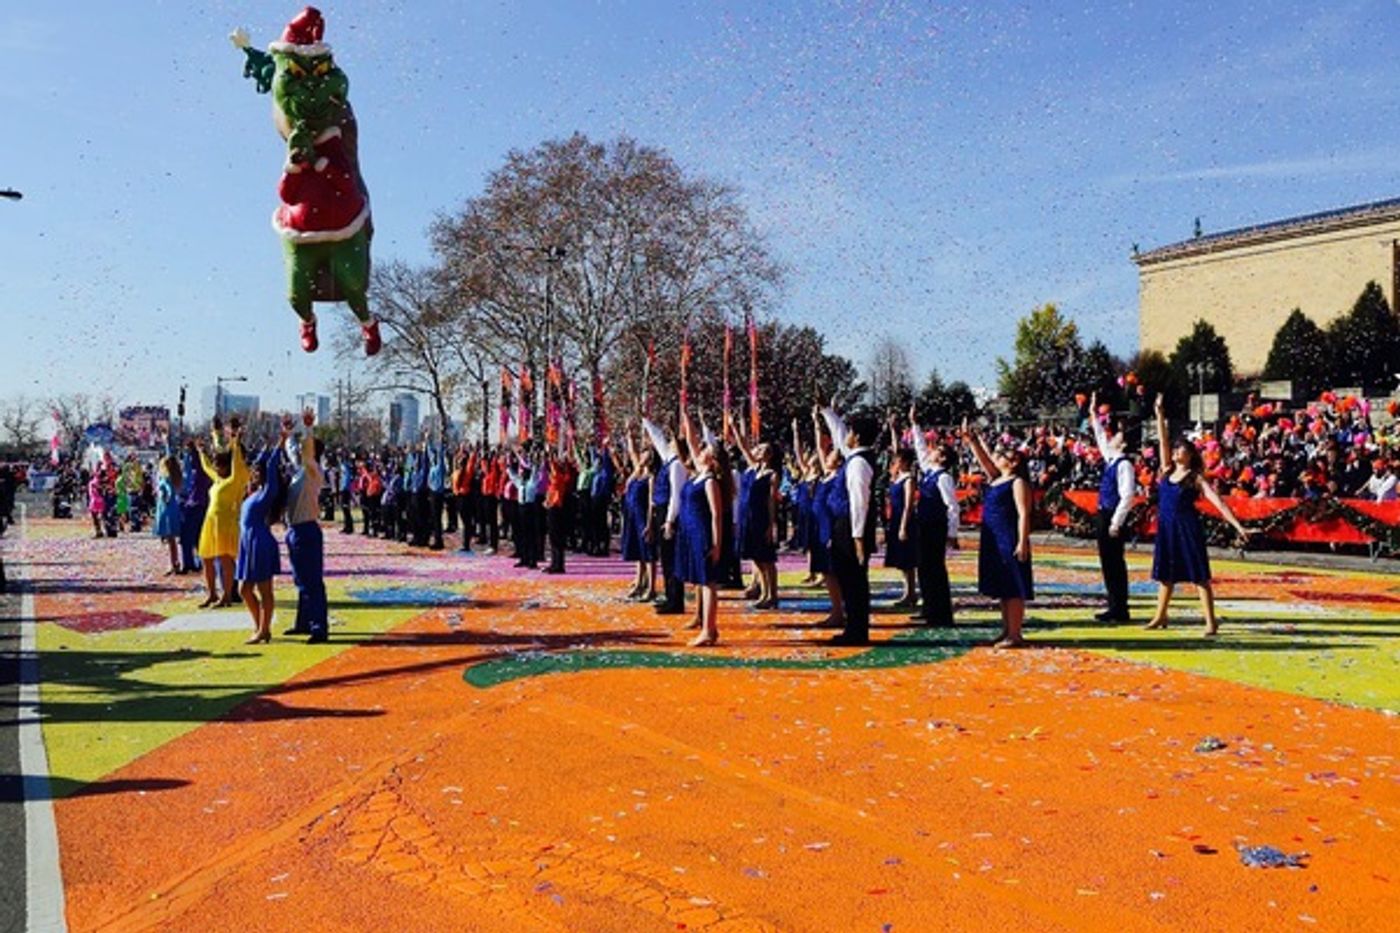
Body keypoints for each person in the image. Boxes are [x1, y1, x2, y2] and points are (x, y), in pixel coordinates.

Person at [1146, 394, 1251, 637]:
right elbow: (1162, 441)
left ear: (1190, 454)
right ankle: (1161, 615)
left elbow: (1219, 503)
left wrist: (1238, 526)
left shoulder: (1195, 478)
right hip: (1167, 527)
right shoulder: (1167, 470)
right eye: (1175, 449)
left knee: (1199, 576)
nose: (1174, 451)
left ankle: (1210, 622)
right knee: (1165, 575)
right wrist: (1160, 414)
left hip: (1186, 528)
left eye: (1180, 449)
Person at [961, 418, 1034, 649]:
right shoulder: (997, 478)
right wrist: (972, 440)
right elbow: (985, 461)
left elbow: (1024, 514)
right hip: (994, 538)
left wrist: (1022, 541)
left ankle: (1015, 633)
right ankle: (1006, 631)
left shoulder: (1017, 482)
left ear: (1012, 462)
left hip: (1009, 537)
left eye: (1003, 455)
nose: (998, 457)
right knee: (1003, 586)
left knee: (1013, 586)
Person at [821, 405, 877, 646]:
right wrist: (826, 411)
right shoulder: (855, 457)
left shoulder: (858, 464)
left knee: (854, 580)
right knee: (848, 579)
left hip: (852, 527)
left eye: (851, 432)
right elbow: (839, 435)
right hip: (847, 526)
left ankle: (857, 631)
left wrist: (857, 537)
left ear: (858, 437)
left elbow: (859, 502)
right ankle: (854, 628)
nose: (846, 436)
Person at [676, 400, 729, 646]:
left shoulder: (710, 482)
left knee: (708, 582)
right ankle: (707, 626)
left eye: (706, 449)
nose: (700, 450)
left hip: (703, 535)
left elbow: (717, 515)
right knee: (700, 580)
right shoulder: (698, 474)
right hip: (690, 532)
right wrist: (686, 414)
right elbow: (691, 441)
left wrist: (717, 544)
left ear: (713, 459)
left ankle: (709, 629)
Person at [1089, 391, 1137, 623]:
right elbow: (1100, 438)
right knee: (1107, 562)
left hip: (1112, 514)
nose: (1111, 438)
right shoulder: (1111, 459)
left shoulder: (1124, 464)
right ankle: (1113, 604)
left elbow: (1127, 495)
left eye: (1116, 436)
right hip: (1103, 513)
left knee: (1115, 563)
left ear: (1124, 442)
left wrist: (1116, 522)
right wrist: (1092, 413)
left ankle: (1120, 607)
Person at [909, 406, 959, 627]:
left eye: (937, 450)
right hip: (924, 524)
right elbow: (920, 450)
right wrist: (914, 424)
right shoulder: (930, 472)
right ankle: (929, 608)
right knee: (924, 568)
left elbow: (952, 507)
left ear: (943, 457)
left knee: (935, 569)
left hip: (935, 527)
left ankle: (941, 614)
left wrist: (951, 533)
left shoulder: (943, 478)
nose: (931, 450)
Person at [236, 426, 287, 645]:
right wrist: (265, 446)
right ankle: (259, 627)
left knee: (265, 589)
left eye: (258, 471)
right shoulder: (253, 492)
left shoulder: (268, 492)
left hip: (260, 541)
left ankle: (264, 629)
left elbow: (272, 464)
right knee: (244, 589)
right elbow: (260, 459)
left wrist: (280, 442)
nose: (254, 472)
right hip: (247, 542)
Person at [283, 409, 330, 643]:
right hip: (294, 531)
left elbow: (306, 452)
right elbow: (291, 450)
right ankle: (303, 622)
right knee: (300, 580)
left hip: (306, 531)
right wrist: (289, 432)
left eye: (304, 448)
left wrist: (309, 429)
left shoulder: (313, 471)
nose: (300, 451)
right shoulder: (300, 471)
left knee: (312, 581)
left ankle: (319, 627)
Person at [728, 414, 782, 609]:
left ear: (770, 455)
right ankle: (764, 591)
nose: (757, 451)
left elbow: (771, 501)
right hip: (747, 518)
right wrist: (735, 426)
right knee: (756, 557)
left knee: (767, 558)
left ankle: (772, 594)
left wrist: (771, 524)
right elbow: (743, 445)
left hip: (761, 518)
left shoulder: (772, 475)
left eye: (762, 449)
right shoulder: (753, 468)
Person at [196, 419, 249, 608]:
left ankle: (226, 595)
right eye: (217, 465)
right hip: (211, 522)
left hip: (226, 523)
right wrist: (202, 451)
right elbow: (207, 467)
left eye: (221, 465)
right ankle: (211, 593)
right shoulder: (217, 480)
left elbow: (236, 462)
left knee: (226, 560)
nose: (217, 468)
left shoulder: (234, 480)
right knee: (207, 558)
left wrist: (235, 443)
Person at [643, 419, 690, 616]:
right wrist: (646, 421)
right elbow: (658, 439)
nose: (667, 443)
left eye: (672, 441)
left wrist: (670, 520)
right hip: (660, 512)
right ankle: (670, 596)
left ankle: (676, 601)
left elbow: (676, 495)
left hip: (670, 515)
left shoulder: (677, 465)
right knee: (665, 559)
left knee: (671, 559)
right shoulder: (668, 461)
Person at [620, 427, 658, 601]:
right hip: (632, 516)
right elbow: (632, 450)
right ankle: (639, 581)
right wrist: (630, 435)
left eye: (645, 454)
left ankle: (651, 587)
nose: (641, 457)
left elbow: (651, 502)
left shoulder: (651, 477)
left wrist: (650, 524)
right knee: (637, 551)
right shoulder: (637, 472)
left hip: (644, 517)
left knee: (648, 552)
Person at [883, 414, 917, 608]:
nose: (894, 462)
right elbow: (896, 449)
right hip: (895, 518)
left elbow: (908, 505)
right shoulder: (897, 477)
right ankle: (908, 592)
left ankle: (910, 593)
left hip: (905, 520)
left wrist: (903, 526)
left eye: (897, 460)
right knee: (902, 560)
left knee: (908, 560)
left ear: (904, 462)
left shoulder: (908, 479)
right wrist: (893, 428)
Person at [178, 438, 210, 574]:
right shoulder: (204, 467)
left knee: (187, 538)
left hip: (193, 504)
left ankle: (189, 563)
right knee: (198, 537)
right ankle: (200, 562)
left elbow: (186, 485)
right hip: (201, 504)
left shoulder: (193, 469)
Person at [154, 453, 184, 575]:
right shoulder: (175, 477)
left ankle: (174, 564)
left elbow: (168, 491)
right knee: (171, 540)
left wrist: (164, 497)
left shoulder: (166, 478)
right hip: (172, 508)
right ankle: (175, 563)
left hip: (166, 509)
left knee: (170, 539)